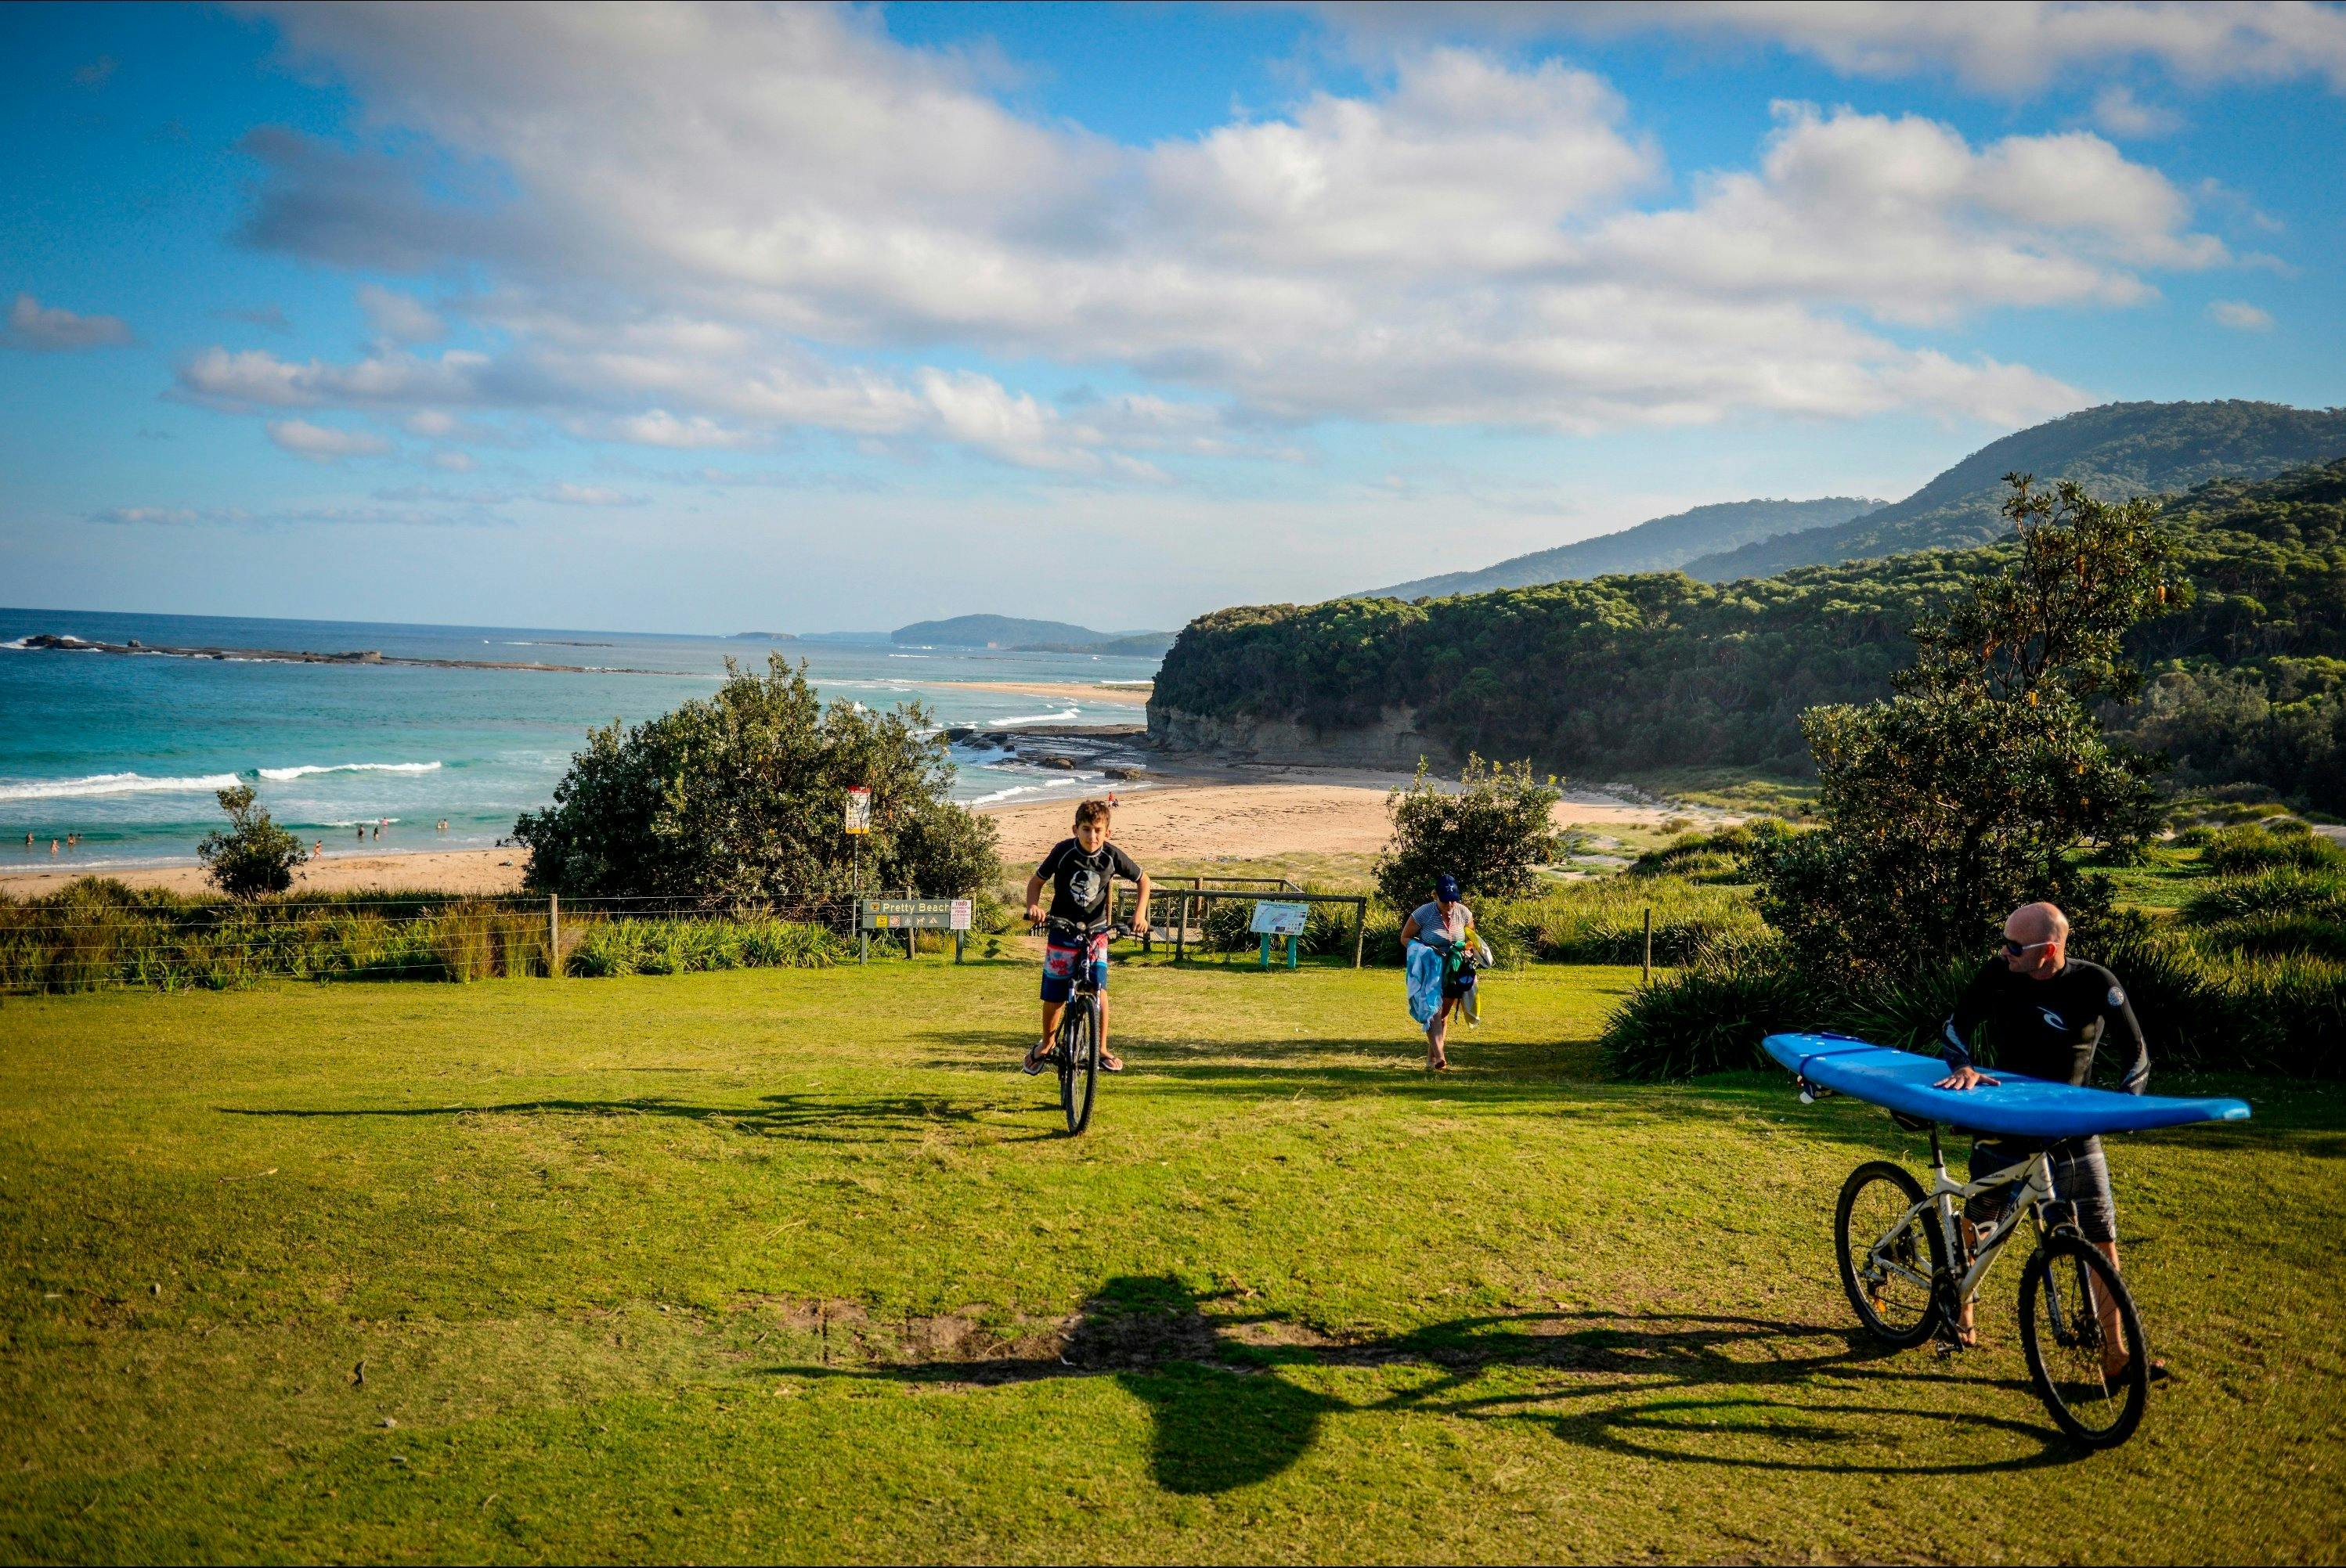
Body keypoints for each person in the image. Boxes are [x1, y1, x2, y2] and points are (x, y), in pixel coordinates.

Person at [1935, 900, 2157, 1379]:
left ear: (2049, 949)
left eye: (2015, 946)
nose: (2004, 952)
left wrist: (2126, 1104)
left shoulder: (2095, 982)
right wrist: (1963, 1067)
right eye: (2004, 942)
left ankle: (2116, 1353)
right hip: (2005, 1120)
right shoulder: (1998, 972)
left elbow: (2136, 1054)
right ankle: (1962, 1305)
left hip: (2072, 1128)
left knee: (2099, 1236)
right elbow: (1955, 1027)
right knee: (1982, 1215)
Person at [1023, 798, 1151, 1077]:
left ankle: (1101, 1049)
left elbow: (1143, 881)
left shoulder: (1112, 856)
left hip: (1097, 932)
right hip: (1062, 929)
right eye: (1085, 829)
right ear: (1075, 829)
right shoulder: (1063, 852)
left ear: (1108, 832)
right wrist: (1034, 906)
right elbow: (1036, 883)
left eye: (1097, 830)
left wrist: (1139, 915)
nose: (1092, 836)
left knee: (1099, 990)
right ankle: (1047, 1044)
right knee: (1056, 993)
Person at [1401, 874, 1483, 1071]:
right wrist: (1424, 951)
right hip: (1430, 968)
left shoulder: (1463, 913)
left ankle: (1432, 1061)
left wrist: (1466, 948)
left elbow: (1472, 938)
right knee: (1432, 1011)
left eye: (1454, 900)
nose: (1450, 904)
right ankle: (1440, 1057)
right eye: (1445, 901)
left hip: (1454, 969)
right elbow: (1405, 938)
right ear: (1435, 896)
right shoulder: (1423, 913)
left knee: (1443, 1014)